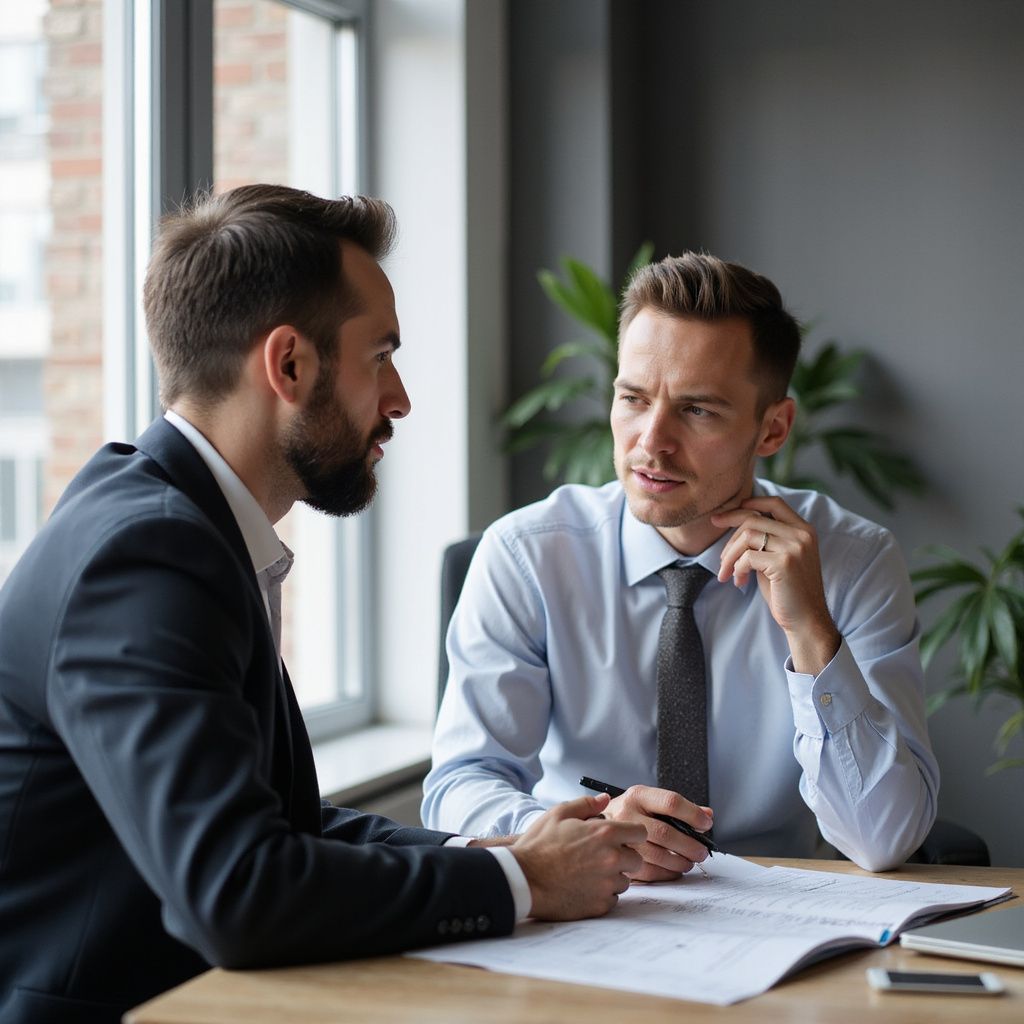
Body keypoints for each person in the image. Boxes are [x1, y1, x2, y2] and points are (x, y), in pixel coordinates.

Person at [0, 184, 646, 1024]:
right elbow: (236, 892)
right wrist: (524, 882)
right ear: (289, 365)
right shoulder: (148, 557)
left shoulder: (174, 520)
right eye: (381, 355)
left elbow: (283, 828)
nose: (401, 397)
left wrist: (506, 854)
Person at [423, 251, 939, 877]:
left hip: (777, 913)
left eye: (697, 410)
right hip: (580, 909)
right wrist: (577, 834)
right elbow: (460, 788)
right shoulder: (527, 556)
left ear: (773, 429)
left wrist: (812, 636)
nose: (651, 441)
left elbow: (884, 838)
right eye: (634, 398)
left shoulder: (853, 562)